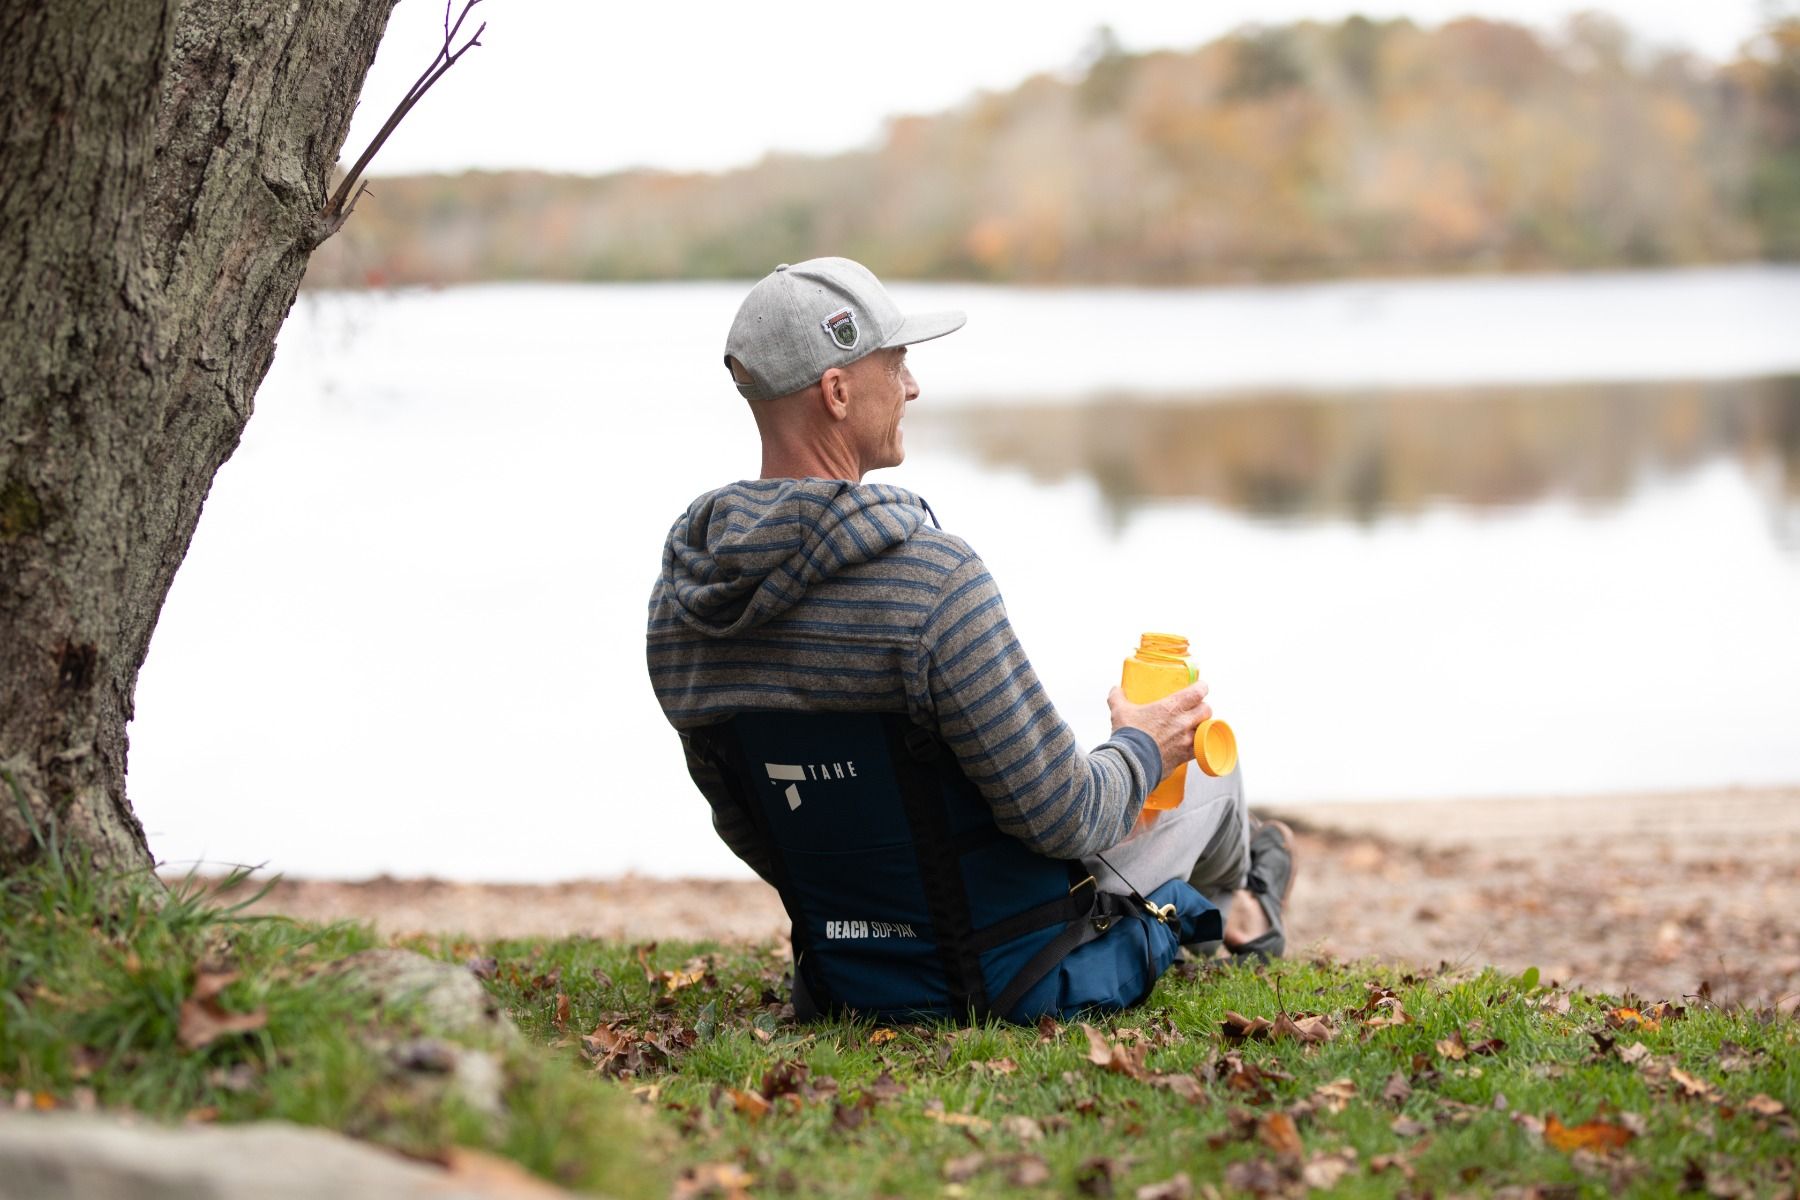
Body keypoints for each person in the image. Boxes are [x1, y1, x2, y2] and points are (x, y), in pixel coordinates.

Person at [646, 257, 1296, 1016]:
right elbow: (1066, 818)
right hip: (1007, 956)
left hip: (850, 966)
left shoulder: (681, 609)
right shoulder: (931, 583)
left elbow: (754, 830)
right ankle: (1242, 912)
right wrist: (1143, 743)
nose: (914, 386)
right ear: (837, 392)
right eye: (898, 364)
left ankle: (1238, 902)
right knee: (1203, 757)